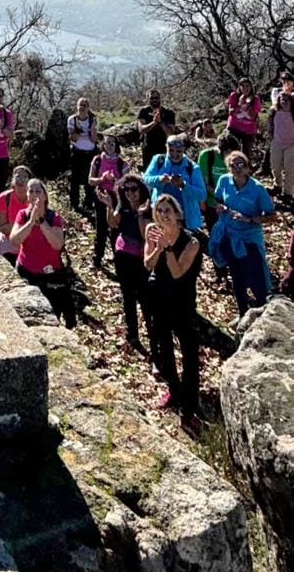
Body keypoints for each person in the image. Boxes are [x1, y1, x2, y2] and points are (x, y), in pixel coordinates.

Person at [145, 194, 202, 432]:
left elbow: (178, 273)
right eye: (159, 210)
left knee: (189, 350)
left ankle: (189, 403)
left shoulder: (192, 242)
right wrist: (157, 248)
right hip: (158, 297)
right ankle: (174, 390)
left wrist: (167, 250)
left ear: (178, 215)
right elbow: (147, 264)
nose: (163, 215)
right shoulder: (152, 231)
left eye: (168, 210)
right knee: (162, 347)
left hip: (182, 300)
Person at [209, 148, 277, 319]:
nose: (237, 168)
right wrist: (221, 207)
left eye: (241, 165)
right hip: (229, 236)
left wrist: (250, 219)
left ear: (248, 167)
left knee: (256, 281)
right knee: (237, 277)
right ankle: (242, 315)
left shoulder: (257, 189)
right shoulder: (224, 181)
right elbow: (218, 199)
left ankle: (263, 316)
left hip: (249, 240)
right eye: (233, 165)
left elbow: (272, 216)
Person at [10, 178, 77, 327]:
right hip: (26, 272)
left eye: (38, 191)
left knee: (53, 316)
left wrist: (41, 222)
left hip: (51, 275)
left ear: (45, 196)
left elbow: (57, 244)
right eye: (31, 191)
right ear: (27, 195)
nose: (34, 195)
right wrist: (31, 222)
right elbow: (15, 240)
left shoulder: (54, 218)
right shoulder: (22, 215)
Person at [106, 174, 156, 356]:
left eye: (133, 189)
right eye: (126, 190)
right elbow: (113, 223)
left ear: (141, 189)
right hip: (122, 256)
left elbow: (146, 235)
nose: (130, 193)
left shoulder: (148, 209)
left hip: (140, 259)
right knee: (127, 296)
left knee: (144, 298)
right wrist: (109, 206)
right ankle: (132, 335)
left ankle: (153, 337)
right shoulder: (123, 206)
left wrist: (141, 215)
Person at [142, 135, 207, 236]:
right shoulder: (159, 161)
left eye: (178, 151)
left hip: (185, 218)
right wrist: (160, 179)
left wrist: (184, 185)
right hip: (162, 215)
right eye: (171, 150)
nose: (174, 154)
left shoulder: (192, 168)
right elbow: (146, 179)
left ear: (183, 150)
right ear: (166, 148)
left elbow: (202, 195)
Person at [88, 132, 130, 269]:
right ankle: (97, 259)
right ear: (103, 145)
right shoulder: (97, 160)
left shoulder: (123, 164)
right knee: (101, 229)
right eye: (107, 143)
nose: (110, 146)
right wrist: (101, 179)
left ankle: (118, 259)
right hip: (100, 196)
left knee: (115, 230)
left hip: (116, 199)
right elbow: (90, 180)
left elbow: (127, 185)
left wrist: (115, 181)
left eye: (112, 143)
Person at [0, 164, 32, 265]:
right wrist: (27, 225)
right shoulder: (4, 198)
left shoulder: (34, 199)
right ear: (12, 180)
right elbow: (3, 228)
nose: (21, 180)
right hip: (7, 247)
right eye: (18, 176)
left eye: (25, 177)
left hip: (28, 248)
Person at [67, 97, 98, 214]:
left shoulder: (92, 120)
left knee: (88, 179)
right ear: (77, 106)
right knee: (75, 179)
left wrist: (92, 128)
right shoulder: (72, 120)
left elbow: (94, 139)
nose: (82, 108)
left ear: (88, 108)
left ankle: (88, 203)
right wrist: (79, 130)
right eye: (80, 105)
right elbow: (73, 137)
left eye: (85, 105)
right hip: (77, 152)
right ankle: (74, 204)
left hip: (91, 153)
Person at [226, 77, 262, 162]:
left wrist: (249, 106)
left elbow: (254, 117)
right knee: (232, 152)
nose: (245, 89)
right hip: (234, 128)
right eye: (243, 86)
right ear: (239, 87)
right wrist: (239, 104)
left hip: (248, 131)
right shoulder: (234, 95)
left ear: (251, 87)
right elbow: (231, 113)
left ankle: (245, 172)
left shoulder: (255, 99)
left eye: (248, 86)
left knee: (245, 155)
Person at [268, 91, 294, 204]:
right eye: (282, 99)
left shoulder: (293, 113)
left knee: (289, 169)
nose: (284, 102)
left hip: (291, 145)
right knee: (275, 166)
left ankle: (287, 192)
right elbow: (270, 126)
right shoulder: (274, 112)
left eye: (286, 99)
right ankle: (277, 185)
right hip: (277, 142)